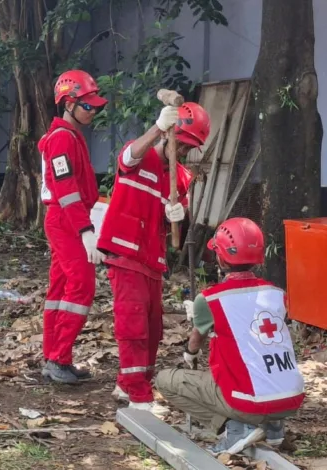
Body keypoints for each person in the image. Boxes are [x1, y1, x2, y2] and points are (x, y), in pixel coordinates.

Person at [156, 218, 305, 453]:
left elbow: (195, 343)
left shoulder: (211, 299)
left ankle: (236, 427)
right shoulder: (277, 294)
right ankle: (274, 426)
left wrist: (189, 354)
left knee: (166, 380)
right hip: (292, 397)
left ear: (220, 256)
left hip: (249, 402)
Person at [98, 102, 207, 415]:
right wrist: (159, 127)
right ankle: (138, 394)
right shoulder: (141, 154)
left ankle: (128, 382)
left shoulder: (180, 177)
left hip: (151, 258)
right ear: (171, 135)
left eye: (190, 148)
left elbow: (175, 219)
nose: (185, 152)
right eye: (182, 144)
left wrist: (178, 214)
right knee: (133, 325)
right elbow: (127, 156)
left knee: (152, 327)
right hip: (125, 252)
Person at [40, 70, 107, 384]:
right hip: (67, 220)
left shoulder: (69, 136)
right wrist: (85, 230)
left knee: (60, 289)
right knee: (81, 286)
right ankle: (58, 357)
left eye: (95, 107)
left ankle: (54, 356)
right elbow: (66, 189)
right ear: (68, 103)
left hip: (67, 218)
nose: (93, 111)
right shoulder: (63, 138)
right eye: (87, 106)